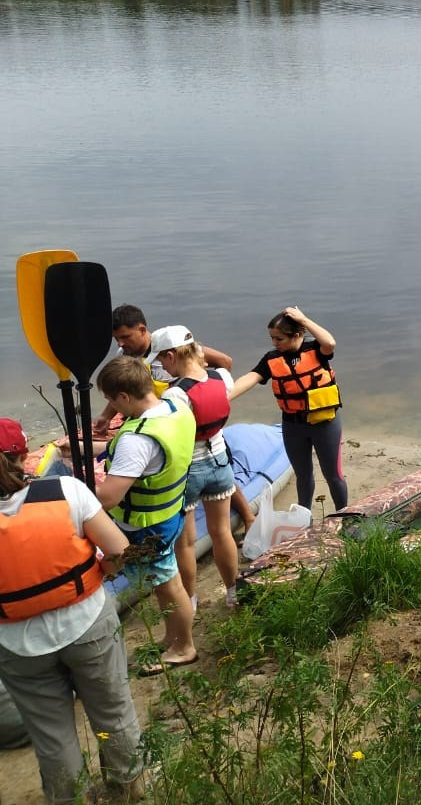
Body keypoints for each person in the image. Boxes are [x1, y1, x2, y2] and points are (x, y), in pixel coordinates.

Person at [0, 417, 147, 802]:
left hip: (18, 645)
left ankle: (69, 798)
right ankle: (129, 791)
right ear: (23, 457)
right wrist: (97, 573)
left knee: (52, 736)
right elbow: (118, 551)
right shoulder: (65, 489)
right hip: (87, 622)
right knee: (113, 713)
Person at [92, 305, 254, 540]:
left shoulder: (171, 344)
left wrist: (210, 394)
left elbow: (225, 362)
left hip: (184, 416)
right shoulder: (124, 357)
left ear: (142, 330)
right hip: (153, 419)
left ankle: (248, 516)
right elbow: (122, 388)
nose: (121, 343)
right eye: (117, 339)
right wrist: (107, 416)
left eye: (126, 337)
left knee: (217, 464)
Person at [97, 357, 198, 676]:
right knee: (166, 582)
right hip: (171, 510)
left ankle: (184, 648)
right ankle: (172, 637)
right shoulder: (176, 405)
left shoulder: (136, 440)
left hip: (147, 526)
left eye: (112, 400)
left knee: (168, 586)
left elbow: (109, 497)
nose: (112, 407)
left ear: (124, 397)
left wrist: (75, 495)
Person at [149, 327, 241, 609]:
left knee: (185, 543)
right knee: (222, 532)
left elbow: (171, 437)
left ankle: (189, 600)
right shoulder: (222, 378)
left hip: (190, 470)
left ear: (171, 355)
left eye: (162, 360)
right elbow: (220, 363)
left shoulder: (175, 396)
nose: (162, 366)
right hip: (220, 461)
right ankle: (233, 592)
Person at [229, 307, 348, 511]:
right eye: (272, 338)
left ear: (298, 335)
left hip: (325, 424)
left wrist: (303, 319)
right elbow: (251, 378)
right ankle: (304, 518)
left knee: (333, 476)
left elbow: (330, 342)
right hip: (293, 427)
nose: (275, 343)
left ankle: (344, 516)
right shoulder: (271, 359)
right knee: (302, 475)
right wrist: (225, 397)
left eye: (279, 339)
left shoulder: (316, 350)